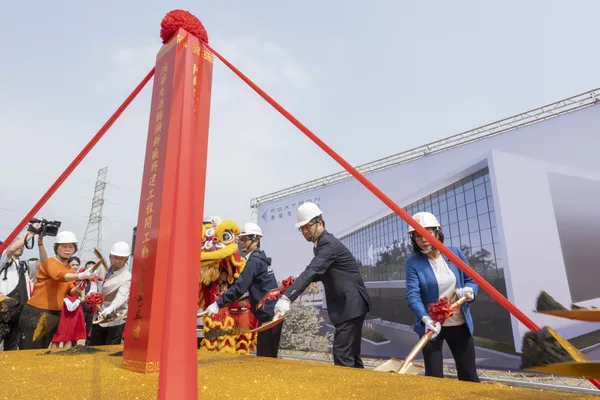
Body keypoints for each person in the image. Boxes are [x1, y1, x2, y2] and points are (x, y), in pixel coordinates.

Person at [274, 202, 372, 368]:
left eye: (308, 226)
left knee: (342, 355)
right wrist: (304, 281)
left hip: (350, 304)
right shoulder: (321, 245)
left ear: (320, 222)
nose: (305, 231)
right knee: (351, 355)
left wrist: (286, 298)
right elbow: (320, 272)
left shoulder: (328, 244)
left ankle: (346, 392)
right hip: (352, 304)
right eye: (302, 228)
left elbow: (312, 270)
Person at [404, 211, 480, 383]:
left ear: (437, 231)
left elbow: (471, 279)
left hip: (459, 323)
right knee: (434, 378)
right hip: (432, 327)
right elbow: (413, 295)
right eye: (417, 236)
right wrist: (425, 318)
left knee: (469, 375)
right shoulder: (413, 263)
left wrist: (469, 290)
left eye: (426, 233)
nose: (422, 240)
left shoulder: (454, 253)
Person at [205, 222, 282, 358]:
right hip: (271, 314)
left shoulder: (254, 261)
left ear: (256, 240)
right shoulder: (260, 260)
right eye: (241, 239)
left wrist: (218, 304)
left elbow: (239, 287)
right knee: (268, 357)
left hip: (268, 317)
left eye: (245, 239)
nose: (242, 243)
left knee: (266, 359)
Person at [18, 231, 96, 349]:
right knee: (29, 351)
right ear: (56, 248)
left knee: (42, 349)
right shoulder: (50, 262)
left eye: (71, 247)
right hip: (36, 311)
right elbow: (58, 276)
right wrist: (80, 276)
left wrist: (80, 286)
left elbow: (71, 291)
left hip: (54, 313)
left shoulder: (69, 268)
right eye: (64, 246)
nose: (67, 250)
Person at [0, 223, 47, 350]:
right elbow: (10, 250)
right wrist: (31, 233)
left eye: (22, 245)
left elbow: (43, 263)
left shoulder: (25, 265)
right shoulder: (3, 261)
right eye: (17, 244)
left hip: (19, 312)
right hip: (3, 311)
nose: (20, 247)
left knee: (12, 348)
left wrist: (40, 243)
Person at [88, 241, 132, 346]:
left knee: (110, 347)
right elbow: (94, 280)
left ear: (126, 259)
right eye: (114, 257)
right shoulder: (101, 268)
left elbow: (121, 296)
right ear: (110, 256)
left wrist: (110, 309)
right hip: (98, 312)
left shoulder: (127, 277)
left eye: (121, 259)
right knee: (95, 344)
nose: (117, 261)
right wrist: (92, 292)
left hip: (115, 315)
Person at [49, 257, 87, 348]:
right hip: (61, 308)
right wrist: (64, 299)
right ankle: (53, 360)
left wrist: (78, 301)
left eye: (77, 265)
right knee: (57, 336)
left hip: (74, 309)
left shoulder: (80, 279)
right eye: (72, 264)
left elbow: (83, 296)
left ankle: (66, 360)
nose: (75, 267)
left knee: (69, 336)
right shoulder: (62, 276)